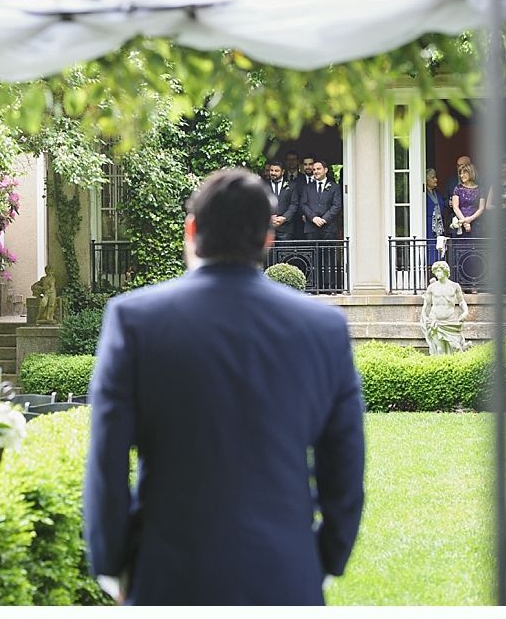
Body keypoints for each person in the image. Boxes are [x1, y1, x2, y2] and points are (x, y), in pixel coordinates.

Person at [83, 168, 365, 605]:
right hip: (285, 573)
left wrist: (111, 562)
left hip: (170, 574)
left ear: (191, 229)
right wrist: (326, 558)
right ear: (267, 238)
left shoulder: (134, 319)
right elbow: (344, 463)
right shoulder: (323, 328)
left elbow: (107, 457)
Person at [299, 160, 344, 291]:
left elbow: (337, 205)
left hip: (328, 228)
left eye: (318, 169)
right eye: (314, 170)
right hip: (311, 227)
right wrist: (313, 218)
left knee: (329, 259)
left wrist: (324, 219)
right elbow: (303, 205)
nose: (316, 172)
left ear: (325, 170)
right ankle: (314, 287)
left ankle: (329, 287)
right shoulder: (308, 187)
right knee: (313, 259)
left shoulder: (334, 187)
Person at [420, 260, 470, 355]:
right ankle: (440, 368)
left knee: (455, 347)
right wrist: (425, 318)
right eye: (435, 272)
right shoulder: (432, 287)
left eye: (439, 271)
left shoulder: (455, 286)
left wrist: (465, 312)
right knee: (439, 349)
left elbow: (461, 301)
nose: (437, 274)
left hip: (450, 321)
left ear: (445, 271)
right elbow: (427, 305)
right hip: (435, 320)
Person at [450, 156, 485, 238]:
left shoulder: (480, 189)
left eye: (464, 173)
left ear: (471, 173)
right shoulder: (457, 188)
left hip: (477, 224)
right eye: (460, 173)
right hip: (461, 224)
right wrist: (465, 223)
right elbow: (455, 207)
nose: (462, 175)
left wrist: (470, 219)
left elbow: (482, 208)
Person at [263, 161, 297, 242]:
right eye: (271, 170)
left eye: (276, 171)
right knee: (268, 254)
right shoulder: (263, 185)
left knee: (285, 254)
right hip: (268, 228)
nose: (273, 173)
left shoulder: (292, 185)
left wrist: (284, 218)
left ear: (283, 172)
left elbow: (294, 204)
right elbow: (260, 204)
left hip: (286, 228)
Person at [425, 168, 447, 267]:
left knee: (438, 253)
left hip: (439, 229)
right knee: (429, 253)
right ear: (426, 180)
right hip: (428, 228)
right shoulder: (423, 194)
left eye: (435, 177)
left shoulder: (437, 193)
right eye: (433, 178)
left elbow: (441, 204)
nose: (436, 180)